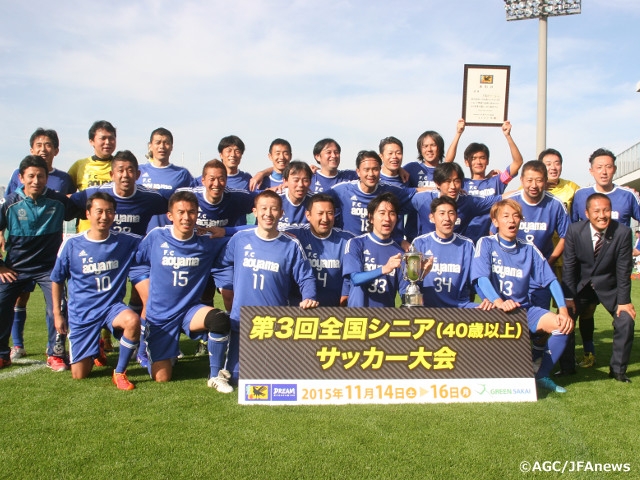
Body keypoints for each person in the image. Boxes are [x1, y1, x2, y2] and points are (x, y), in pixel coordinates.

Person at [471, 199, 574, 393]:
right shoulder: (486, 243)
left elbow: (551, 280)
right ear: (495, 221)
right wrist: (499, 302)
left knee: (563, 325)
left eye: (516, 216)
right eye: (506, 216)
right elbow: (482, 278)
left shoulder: (529, 248)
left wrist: (562, 310)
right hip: (494, 311)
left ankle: (541, 375)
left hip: (523, 310)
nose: (512, 220)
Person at [217, 190, 318, 383]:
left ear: (281, 213)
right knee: (237, 377)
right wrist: (225, 287)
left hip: (274, 323)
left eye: (273, 209)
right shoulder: (240, 239)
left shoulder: (291, 244)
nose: (268, 214)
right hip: (242, 320)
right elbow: (223, 264)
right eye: (263, 209)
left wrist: (309, 296)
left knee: (272, 377)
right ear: (255, 212)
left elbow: (306, 277)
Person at [136, 191, 233, 392]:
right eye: (181, 212)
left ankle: (215, 375)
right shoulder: (156, 236)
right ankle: (156, 351)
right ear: (170, 215)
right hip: (160, 315)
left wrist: (226, 230)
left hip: (190, 311)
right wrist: (144, 287)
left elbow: (251, 231)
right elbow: (137, 263)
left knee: (219, 320)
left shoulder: (206, 241)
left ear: (197, 214)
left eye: (191, 212)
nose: (186, 217)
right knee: (162, 377)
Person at [50, 192, 141, 389]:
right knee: (80, 374)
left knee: (133, 321)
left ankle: (120, 372)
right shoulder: (72, 244)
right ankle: (96, 347)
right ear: (88, 214)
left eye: (109, 211)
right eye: (99, 211)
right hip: (83, 313)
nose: (104, 216)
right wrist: (58, 314)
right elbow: (56, 280)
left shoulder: (126, 241)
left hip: (112, 308)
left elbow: (154, 241)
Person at [5, 128, 75, 362]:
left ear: (47, 177)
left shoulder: (57, 201)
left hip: (48, 268)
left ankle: (55, 352)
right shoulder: (10, 204)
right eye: (31, 176)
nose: (36, 181)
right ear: (21, 177)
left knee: (58, 307)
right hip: (15, 268)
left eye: (41, 177)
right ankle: (4, 352)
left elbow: (86, 208)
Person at [561, 193, 635, 383]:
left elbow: (623, 270)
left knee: (626, 321)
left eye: (606, 210)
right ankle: (567, 368)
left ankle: (618, 370)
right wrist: (567, 298)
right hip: (580, 288)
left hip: (611, 288)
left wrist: (624, 302)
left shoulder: (623, 232)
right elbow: (569, 267)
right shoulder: (574, 231)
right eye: (597, 211)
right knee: (564, 318)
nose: (602, 215)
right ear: (587, 213)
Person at [496, 161, 569, 307]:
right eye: (529, 180)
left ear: (545, 180)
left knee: (539, 320)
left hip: (540, 272)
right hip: (511, 271)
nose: (534, 185)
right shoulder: (510, 201)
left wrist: (549, 262)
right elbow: (494, 231)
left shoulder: (555, 204)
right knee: (510, 320)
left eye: (539, 180)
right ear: (522, 180)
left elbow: (565, 237)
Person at [449, 119, 524, 241]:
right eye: (474, 158)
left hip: (490, 240)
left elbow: (518, 162)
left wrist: (508, 135)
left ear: (487, 161)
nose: (478, 162)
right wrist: (458, 133)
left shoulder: (497, 181)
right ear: (467, 162)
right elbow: (447, 164)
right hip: (463, 240)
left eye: (482, 158)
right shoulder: (461, 182)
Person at [328, 150, 419, 248]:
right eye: (366, 170)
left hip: (378, 248)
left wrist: (437, 189)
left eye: (375, 169)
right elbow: (315, 201)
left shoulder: (389, 190)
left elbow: (417, 193)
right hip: (349, 249)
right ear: (358, 172)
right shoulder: (342, 190)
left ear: (380, 169)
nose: (371, 174)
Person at [410, 196, 488, 309]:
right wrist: (422, 274)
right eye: (442, 213)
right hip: (427, 308)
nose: (447, 218)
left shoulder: (467, 245)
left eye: (451, 213)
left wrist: (487, 298)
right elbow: (410, 282)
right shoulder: (419, 243)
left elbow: (475, 279)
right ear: (432, 217)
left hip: (460, 308)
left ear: (456, 217)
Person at [283, 194, 354, 306]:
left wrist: (345, 295)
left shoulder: (347, 240)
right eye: (320, 213)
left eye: (330, 213)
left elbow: (351, 275)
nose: (325, 219)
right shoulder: (294, 235)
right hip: (299, 308)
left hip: (334, 309)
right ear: (308, 215)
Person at [343, 192, 407, 307]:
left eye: (392, 213)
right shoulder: (356, 243)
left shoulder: (400, 253)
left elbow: (405, 292)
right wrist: (384, 269)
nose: (387, 218)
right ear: (371, 218)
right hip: (357, 319)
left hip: (384, 321)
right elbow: (355, 279)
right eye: (382, 213)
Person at [410, 162, 500, 241]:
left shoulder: (469, 202)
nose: (453, 186)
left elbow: (500, 199)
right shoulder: (422, 199)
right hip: (427, 253)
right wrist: (402, 240)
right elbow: (398, 206)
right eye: (448, 181)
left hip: (456, 253)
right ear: (437, 183)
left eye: (456, 181)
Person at [138, 127, 195, 229]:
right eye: (158, 142)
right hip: (141, 233)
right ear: (150, 146)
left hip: (170, 234)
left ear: (171, 147)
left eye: (166, 143)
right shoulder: (138, 171)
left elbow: (194, 201)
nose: (162, 146)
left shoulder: (182, 174)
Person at [68, 120, 117, 231]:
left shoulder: (121, 166)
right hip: (86, 231)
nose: (108, 142)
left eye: (111, 138)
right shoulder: (80, 166)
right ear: (91, 141)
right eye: (103, 138)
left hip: (115, 231)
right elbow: (68, 198)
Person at [571, 148, 640, 227]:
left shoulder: (628, 195)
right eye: (599, 167)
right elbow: (571, 228)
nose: (604, 172)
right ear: (591, 171)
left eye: (608, 167)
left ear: (614, 169)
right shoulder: (580, 195)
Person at [277, 161, 313, 230]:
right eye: (296, 180)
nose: (301, 185)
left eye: (305, 180)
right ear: (285, 181)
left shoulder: (315, 202)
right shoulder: (276, 200)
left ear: (310, 182)